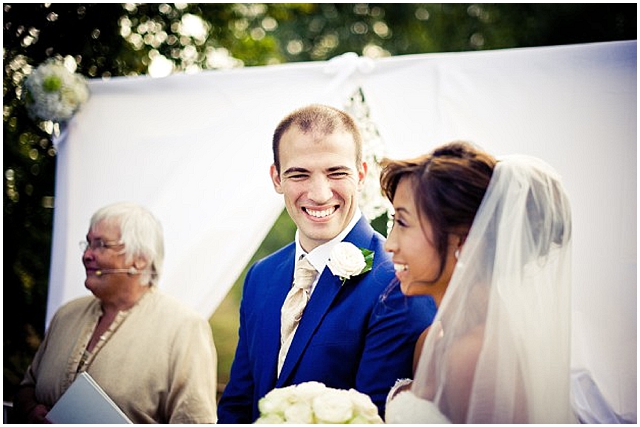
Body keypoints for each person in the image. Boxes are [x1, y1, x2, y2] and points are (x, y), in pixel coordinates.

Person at [216, 104, 436, 423]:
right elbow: (238, 401)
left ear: (361, 175)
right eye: (299, 174)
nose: (319, 194)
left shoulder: (398, 282)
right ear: (277, 178)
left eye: (336, 172)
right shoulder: (261, 275)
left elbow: (376, 417)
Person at [381, 141, 574, 423]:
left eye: (403, 222)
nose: (389, 245)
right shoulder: (434, 337)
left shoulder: (476, 356)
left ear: (464, 240)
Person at [13, 202, 218, 423]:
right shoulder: (66, 315)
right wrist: (30, 410)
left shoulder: (184, 327)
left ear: (139, 259)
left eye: (101, 245)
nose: (87, 255)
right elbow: (27, 387)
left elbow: (194, 420)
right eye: (88, 244)